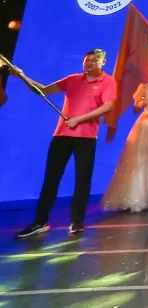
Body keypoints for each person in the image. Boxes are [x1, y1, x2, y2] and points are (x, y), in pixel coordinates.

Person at [16, 49, 118, 239]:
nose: (89, 63)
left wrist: (79, 119)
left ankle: (77, 222)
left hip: (86, 138)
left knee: (82, 180)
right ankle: (40, 222)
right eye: (86, 60)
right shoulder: (73, 79)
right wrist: (22, 76)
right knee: (51, 178)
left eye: (94, 60)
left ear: (103, 62)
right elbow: (44, 90)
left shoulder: (108, 81)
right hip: (62, 135)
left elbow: (108, 106)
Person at [102, 59, 148, 213]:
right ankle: (142, 195)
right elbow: (135, 109)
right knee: (145, 158)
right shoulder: (143, 87)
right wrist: (139, 105)